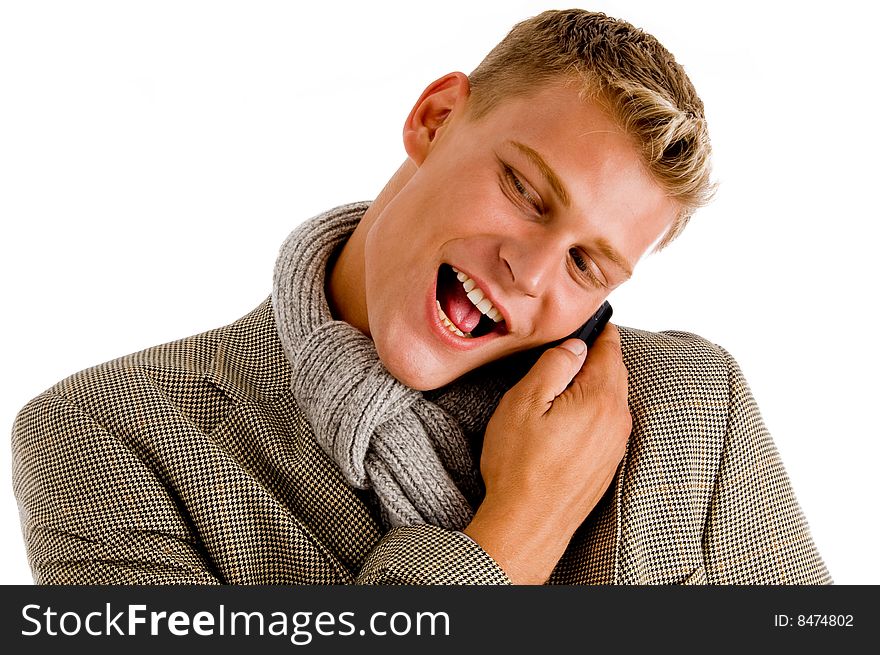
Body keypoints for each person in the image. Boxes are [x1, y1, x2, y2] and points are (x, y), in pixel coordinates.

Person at [11, 8, 830, 585]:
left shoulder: (687, 410)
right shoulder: (104, 431)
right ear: (435, 119)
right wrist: (515, 536)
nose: (532, 270)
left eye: (588, 264)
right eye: (525, 190)